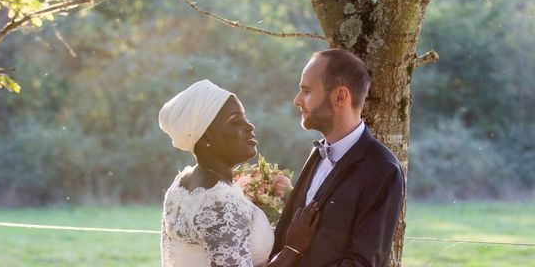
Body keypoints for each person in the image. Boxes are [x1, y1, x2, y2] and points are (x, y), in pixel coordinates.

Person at [159, 79, 320, 267]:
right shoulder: (221, 203)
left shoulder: (181, 184)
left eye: (245, 118)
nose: (249, 126)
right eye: (236, 121)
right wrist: (294, 247)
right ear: (206, 137)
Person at [272, 49, 404, 266]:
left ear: (340, 96)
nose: (297, 101)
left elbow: (362, 263)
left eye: (306, 91)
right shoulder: (317, 153)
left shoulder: (383, 169)